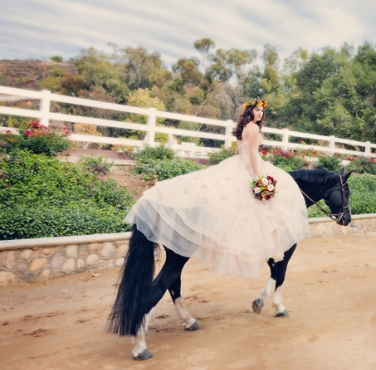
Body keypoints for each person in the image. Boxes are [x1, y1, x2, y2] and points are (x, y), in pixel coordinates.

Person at [124, 99, 310, 278]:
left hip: (239, 163)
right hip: (250, 167)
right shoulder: (253, 128)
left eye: (262, 110)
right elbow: (252, 153)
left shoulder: (245, 127)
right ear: (250, 111)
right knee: (264, 210)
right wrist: (258, 177)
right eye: (256, 110)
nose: (260, 113)